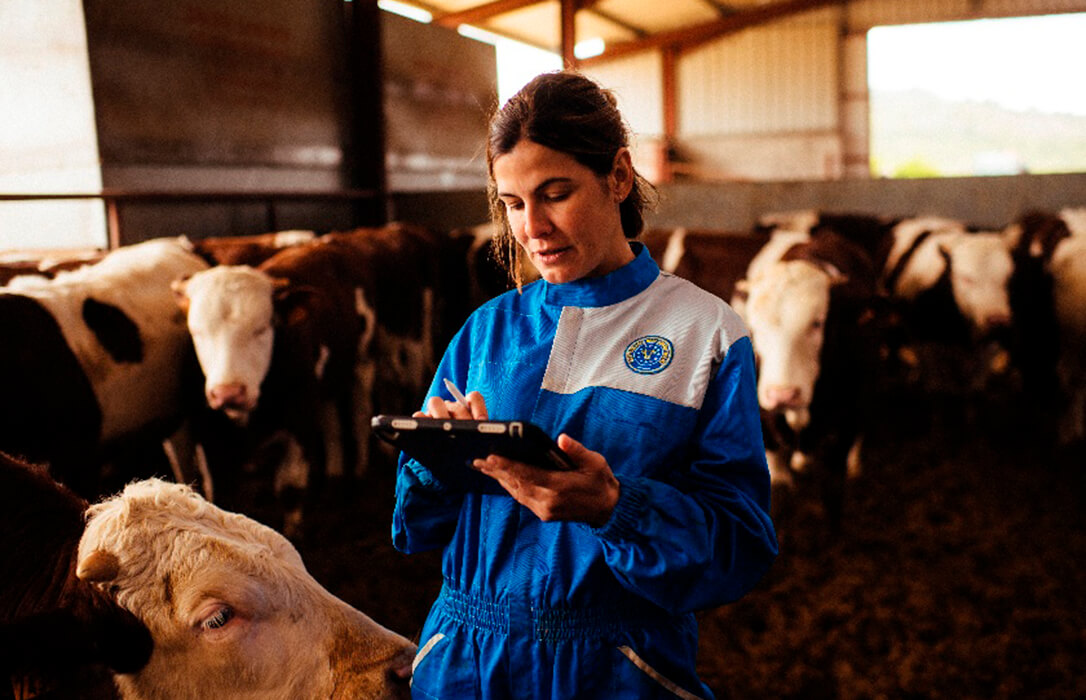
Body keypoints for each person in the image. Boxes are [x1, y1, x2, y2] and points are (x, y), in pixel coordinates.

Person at [392, 70, 777, 700]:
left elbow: (740, 545)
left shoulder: (705, 331)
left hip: (617, 668)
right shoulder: (488, 329)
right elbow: (416, 530)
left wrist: (617, 509)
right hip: (464, 661)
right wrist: (435, 460)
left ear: (618, 177)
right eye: (513, 203)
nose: (532, 228)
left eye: (555, 193)